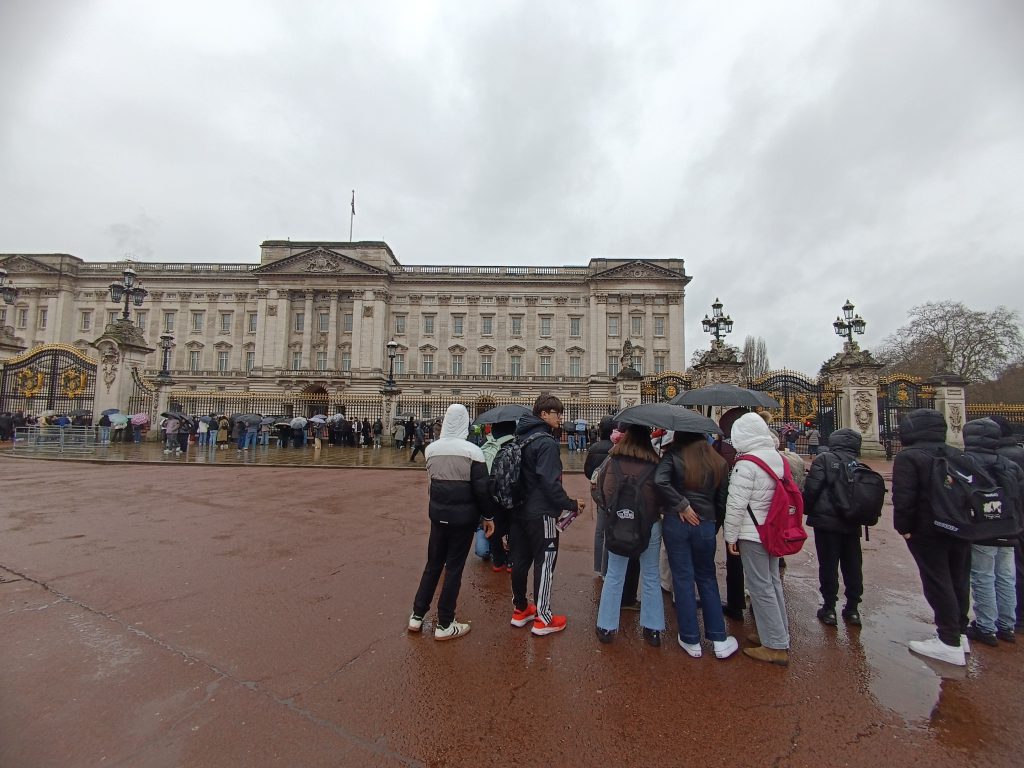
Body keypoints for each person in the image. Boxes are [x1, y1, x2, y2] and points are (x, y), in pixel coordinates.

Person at [408, 404, 495, 640]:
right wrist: (488, 517)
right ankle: (445, 623)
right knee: (454, 569)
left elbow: (431, 482)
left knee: (432, 565)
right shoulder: (473, 451)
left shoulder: (431, 449)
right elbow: (482, 491)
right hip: (463, 519)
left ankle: (417, 616)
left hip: (438, 515)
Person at [893, 408, 970, 666]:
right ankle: (959, 632)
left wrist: (903, 527)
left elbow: (904, 499)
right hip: (959, 526)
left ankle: (948, 641)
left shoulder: (910, 456)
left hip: (927, 528)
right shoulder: (958, 454)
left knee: (937, 580)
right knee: (959, 578)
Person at [656, 430, 738, 658]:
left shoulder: (673, 455)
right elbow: (722, 500)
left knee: (682, 578)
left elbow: (659, 481)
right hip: (706, 524)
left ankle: (690, 638)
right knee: (707, 578)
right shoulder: (718, 461)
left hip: (677, 521)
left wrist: (682, 505)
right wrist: (713, 526)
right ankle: (719, 639)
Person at [509, 394, 585, 636]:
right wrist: (570, 503)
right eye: (556, 413)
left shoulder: (520, 438)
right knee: (545, 562)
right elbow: (549, 482)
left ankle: (521, 609)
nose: (560, 417)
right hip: (541, 513)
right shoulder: (546, 442)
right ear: (544, 414)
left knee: (520, 561)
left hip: (519, 510)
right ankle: (543, 617)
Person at [723, 412, 791, 666]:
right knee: (772, 583)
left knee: (760, 587)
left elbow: (736, 504)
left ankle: (775, 645)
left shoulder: (747, 463)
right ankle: (776, 632)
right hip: (774, 528)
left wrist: (731, 536)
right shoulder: (778, 458)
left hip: (753, 532)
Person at [594, 424, 666, 646]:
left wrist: (612, 511)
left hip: (619, 523)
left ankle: (606, 627)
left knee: (615, 575)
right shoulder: (656, 463)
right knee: (651, 575)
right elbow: (662, 495)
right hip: (649, 525)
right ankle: (653, 629)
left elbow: (601, 491)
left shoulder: (613, 460)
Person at [963, 418, 1023, 646]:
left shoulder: (966, 462)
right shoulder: (1009, 464)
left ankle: (986, 626)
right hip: (1009, 525)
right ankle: (1007, 625)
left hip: (981, 525)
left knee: (983, 575)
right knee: (1006, 575)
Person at [802, 428, 866, 627]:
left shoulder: (824, 459)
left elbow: (812, 489)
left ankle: (829, 608)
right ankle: (853, 609)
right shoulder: (859, 464)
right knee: (853, 564)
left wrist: (806, 508)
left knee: (828, 564)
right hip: (852, 521)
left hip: (827, 521)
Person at [989, 414, 1024, 633]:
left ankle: (998, 621)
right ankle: (1011, 619)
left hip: (1001, 521)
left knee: (999, 570)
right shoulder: (1020, 453)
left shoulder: (996, 459)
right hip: (1017, 518)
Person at [482, 419, 517, 572]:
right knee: (514, 526)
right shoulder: (515, 445)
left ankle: (498, 561)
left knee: (493, 527)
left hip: (490, 493)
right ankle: (511, 561)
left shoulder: (486, 444)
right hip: (510, 492)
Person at [585, 416, 615, 575]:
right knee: (613, 530)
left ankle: (598, 567)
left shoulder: (595, 448)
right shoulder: (618, 448)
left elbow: (587, 471)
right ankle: (607, 568)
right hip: (615, 494)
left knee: (600, 531)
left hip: (599, 494)